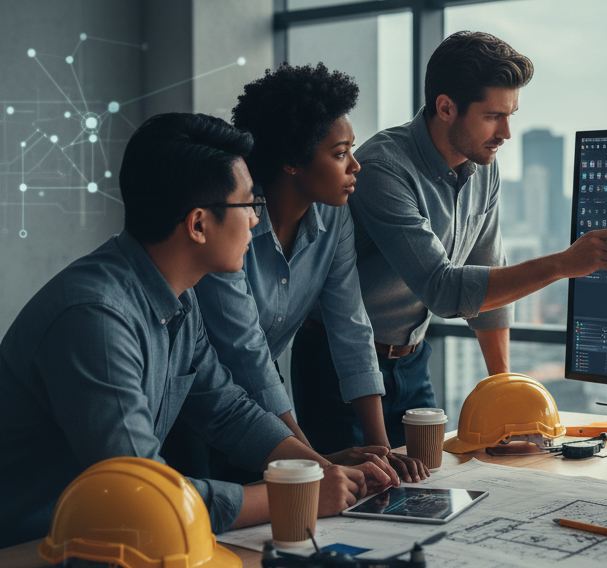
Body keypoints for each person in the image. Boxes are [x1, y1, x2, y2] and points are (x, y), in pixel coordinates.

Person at [0, 113, 391, 547]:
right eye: (249, 205)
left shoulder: (180, 298)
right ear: (199, 224)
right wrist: (294, 493)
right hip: (33, 546)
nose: (257, 222)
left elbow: (228, 410)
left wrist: (318, 470)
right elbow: (143, 497)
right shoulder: (95, 320)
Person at [292, 31, 607, 448]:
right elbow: (445, 290)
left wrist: (504, 392)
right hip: (337, 366)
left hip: (413, 360)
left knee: (426, 481)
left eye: (511, 114)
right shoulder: (383, 168)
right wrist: (562, 264)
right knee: (352, 499)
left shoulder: (483, 164)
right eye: (493, 115)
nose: (506, 132)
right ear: (446, 107)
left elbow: (488, 280)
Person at [163, 63, 428, 484]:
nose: (356, 166)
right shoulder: (230, 223)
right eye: (340, 154)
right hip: (196, 402)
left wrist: (380, 449)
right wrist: (314, 465)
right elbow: (243, 349)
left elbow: (351, 326)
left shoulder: (335, 217)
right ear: (292, 163)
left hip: (262, 396)